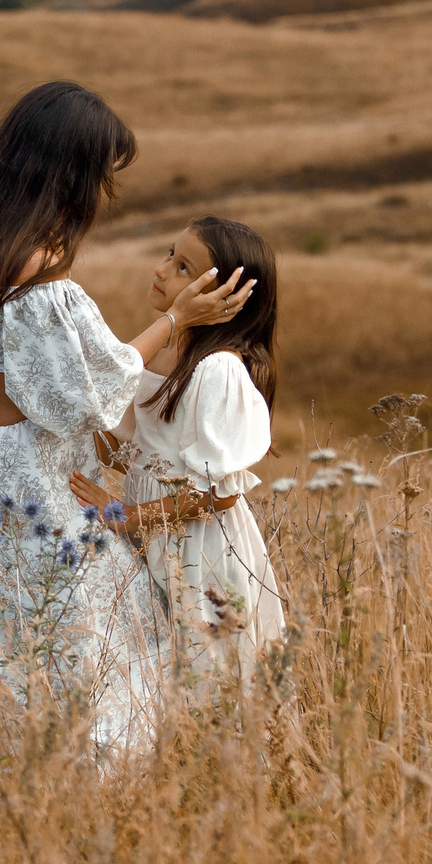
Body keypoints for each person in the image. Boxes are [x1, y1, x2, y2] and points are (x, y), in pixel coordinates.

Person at [0, 81, 252, 759]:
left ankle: (0, 762)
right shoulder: (38, 279)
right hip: (33, 475)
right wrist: (176, 320)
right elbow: (89, 394)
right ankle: (93, 778)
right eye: (101, 173)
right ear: (68, 173)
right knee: (93, 625)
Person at [69, 218, 288, 703]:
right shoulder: (160, 353)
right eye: (170, 254)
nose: (162, 269)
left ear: (226, 294)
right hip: (155, 541)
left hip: (203, 552)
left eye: (184, 267)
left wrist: (125, 516)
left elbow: (221, 493)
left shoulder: (218, 369)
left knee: (211, 686)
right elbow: (134, 454)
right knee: (155, 678)